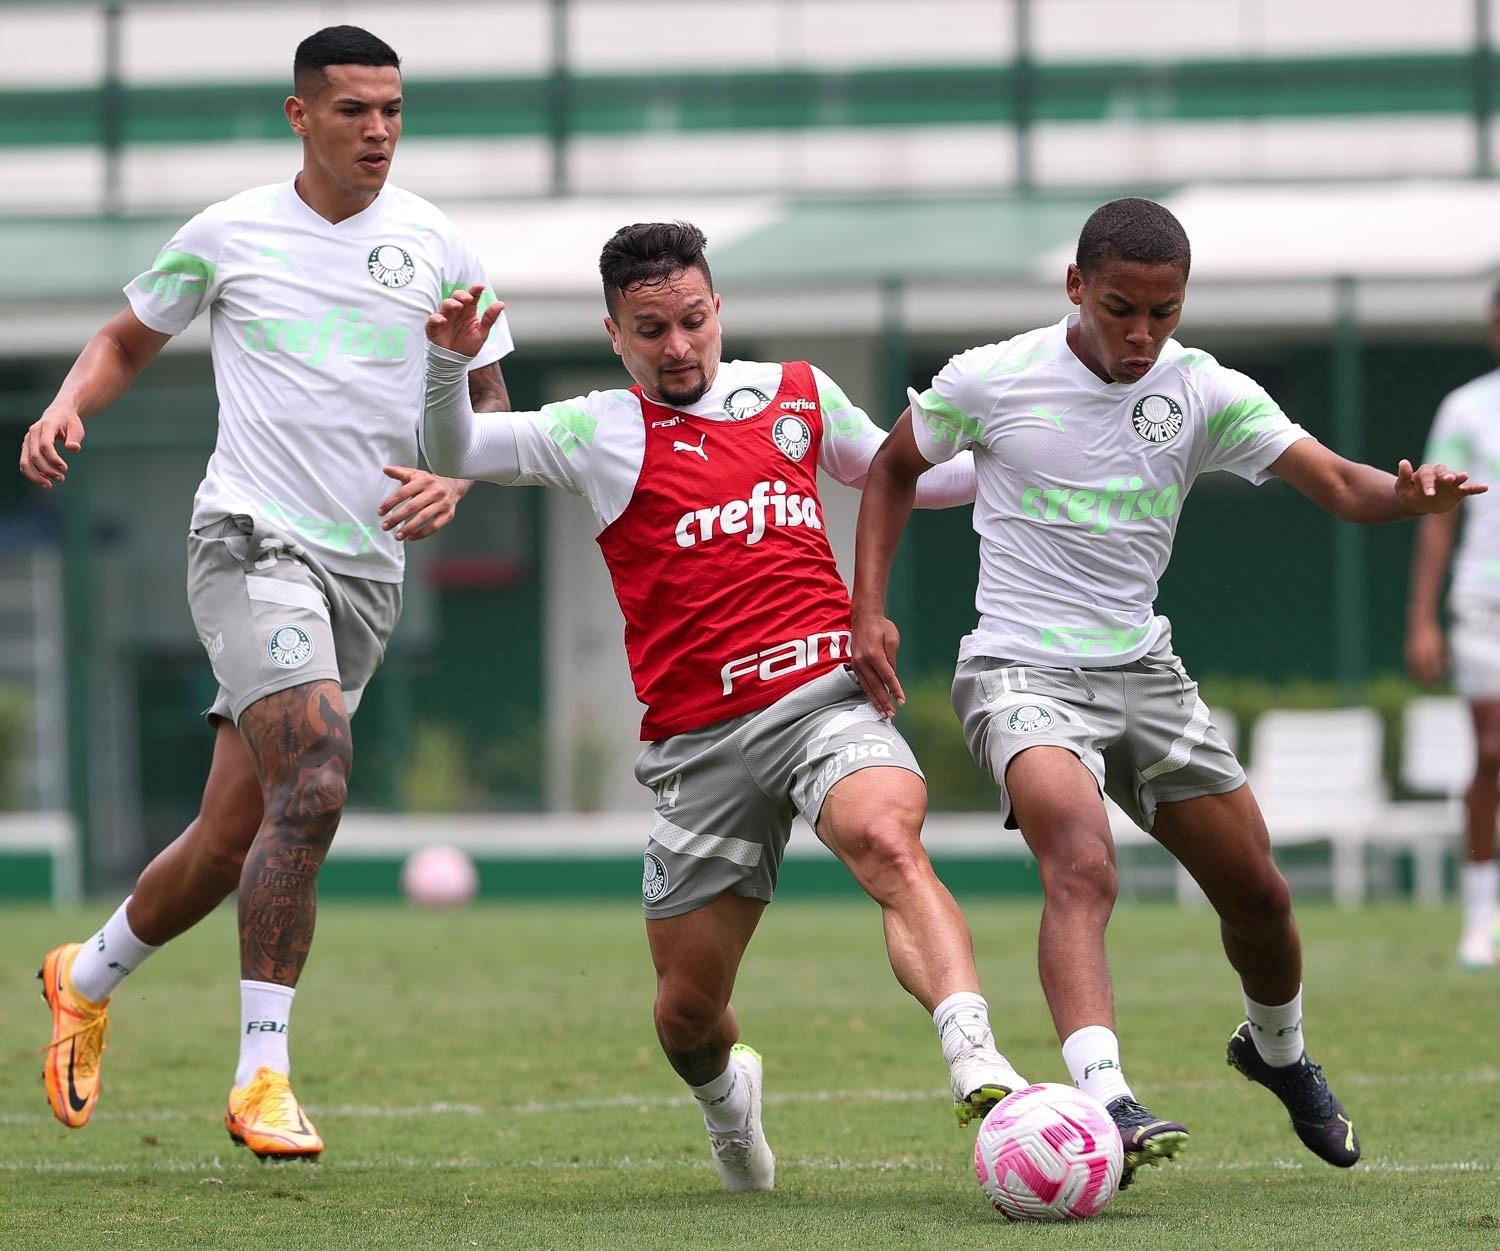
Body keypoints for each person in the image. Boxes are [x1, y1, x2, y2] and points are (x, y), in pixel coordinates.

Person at [849, 197, 1483, 1188]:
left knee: (1260, 898)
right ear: (1074, 288)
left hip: (1143, 670)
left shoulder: (1202, 391)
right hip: (1019, 668)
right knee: (1082, 856)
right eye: (1119, 309)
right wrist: (869, 611)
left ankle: (1276, 1053)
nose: (1141, 334)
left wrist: (1405, 496)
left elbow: (1342, 485)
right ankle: (1105, 1097)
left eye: (1164, 312)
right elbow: (892, 468)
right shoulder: (993, 377)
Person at [421, 221, 1027, 1192]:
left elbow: (909, 474)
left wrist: (1019, 442)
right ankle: (725, 1102)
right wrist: (444, 371)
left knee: (886, 840)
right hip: (699, 745)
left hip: (823, 696)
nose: (677, 347)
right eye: (650, 329)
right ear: (616, 334)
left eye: (692, 322)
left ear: (718, 313)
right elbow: (460, 445)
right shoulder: (596, 430)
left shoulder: (797, 394)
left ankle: (977, 1059)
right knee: (686, 1016)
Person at [24, 25, 513, 1160]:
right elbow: (124, 337)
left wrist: (455, 473)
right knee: (324, 773)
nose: (379, 130)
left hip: (367, 569)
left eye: (393, 108)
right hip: (249, 539)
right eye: (353, 110)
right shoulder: (229, 233)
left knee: (231, 829)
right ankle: (262, 1075)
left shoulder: (438, 242)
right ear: (301, 117)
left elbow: (487, 397)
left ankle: (84, 975)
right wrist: (67, 404)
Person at [1406, 284, 1500, 969]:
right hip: (1483, 603)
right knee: (1492, 751)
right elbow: (1438, 516)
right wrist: (1422, 618)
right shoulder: (1465, 407)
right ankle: (1479, 915)